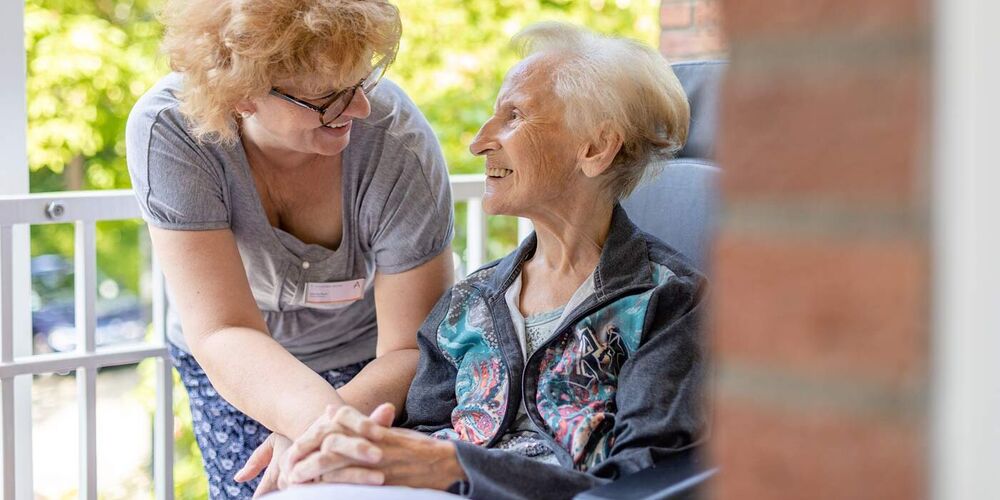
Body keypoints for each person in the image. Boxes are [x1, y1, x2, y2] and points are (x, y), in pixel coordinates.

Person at [244, 22, 707, 500]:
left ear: (594, 148)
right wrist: (325, 436)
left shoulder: (668, 302)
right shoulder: (473, 299)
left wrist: (453, 466)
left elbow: (636, 483)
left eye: (514, 116)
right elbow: (421, 426)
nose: (480, 141)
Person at [124, 0, 455, 497]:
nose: (360, 108)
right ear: (241, 93)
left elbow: (411, 345)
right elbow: (223, 329)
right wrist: (320, 424)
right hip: (234, 358)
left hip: (374, 362)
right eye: (328, 96)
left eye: (362, 81)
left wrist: (315, 430)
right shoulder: (171, 131)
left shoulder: (398, 143)